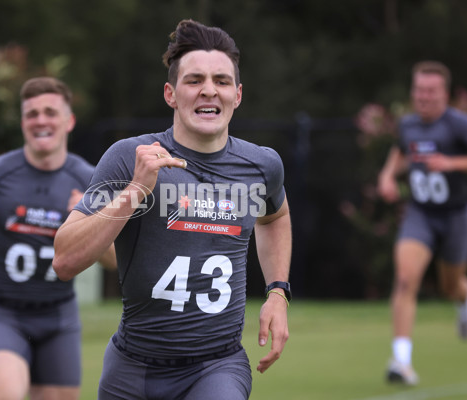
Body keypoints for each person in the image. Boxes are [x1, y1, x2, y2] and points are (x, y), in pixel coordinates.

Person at [53, 19, 292, 400]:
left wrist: (278, 291)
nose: (209, 91)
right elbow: (65, 259)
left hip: (217, 366)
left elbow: (275, 216)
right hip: (133, 368)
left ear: (238, 94)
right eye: (194, 80)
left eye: (222, 81)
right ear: (171, 93)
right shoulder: (130, 157)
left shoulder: (261, 166)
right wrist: (134, 191)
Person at [0, 76, 116, 400]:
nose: (41, 120)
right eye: (32, 114)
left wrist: (89, 223)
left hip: (59, 316)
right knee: (0, 393)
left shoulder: (90, 181)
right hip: (5, 314)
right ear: (22, 123)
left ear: (68, 121)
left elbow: (115, 262)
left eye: (50, 112)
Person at [378, 60, 467, 385]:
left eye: (431, 91)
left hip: (456, 215)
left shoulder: (460, 125)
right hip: (420, 214)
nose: (424, 96)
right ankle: (401, 362)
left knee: (450, 285)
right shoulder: (407, 125)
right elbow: (401, 152)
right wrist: (388, 175)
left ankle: (466, 298)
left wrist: (452, 163)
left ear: (445, 94)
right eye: (419, 90)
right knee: (405, 279)